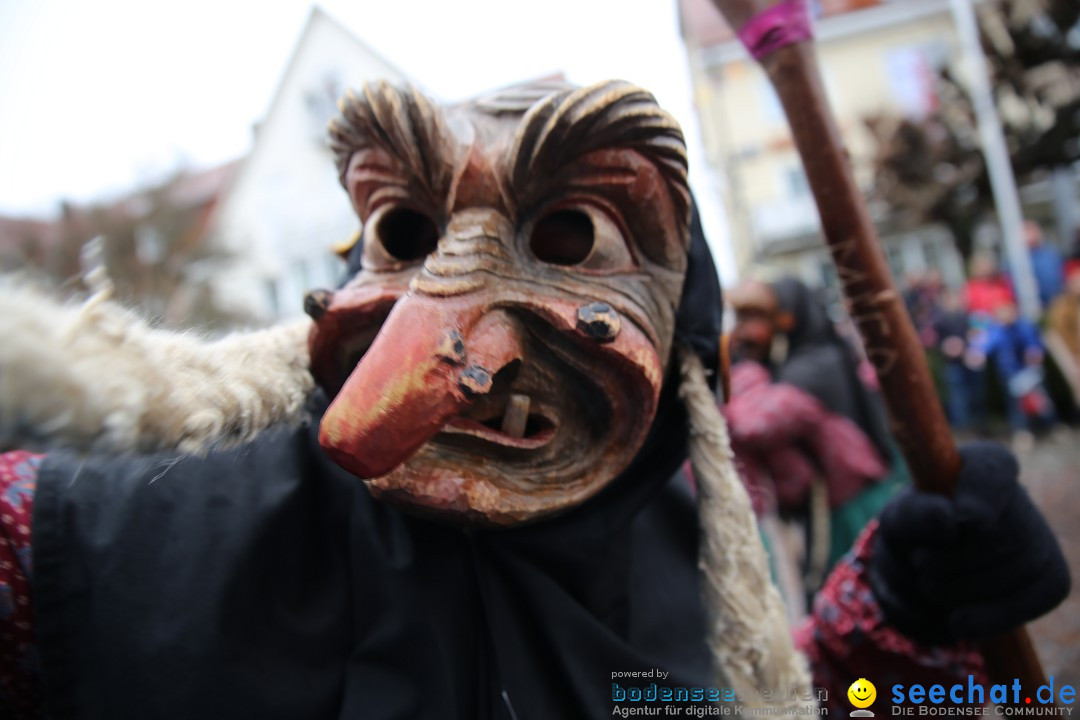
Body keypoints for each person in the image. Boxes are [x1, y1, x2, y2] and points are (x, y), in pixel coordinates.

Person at [0, 80, 1069, 720]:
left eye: (574, 239)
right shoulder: (133, 538)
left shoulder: (679, 573)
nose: (445, 330)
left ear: (687, 347)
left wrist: (894, 625)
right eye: (406, 234)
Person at [724, 277, 904, 605]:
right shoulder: (803, 360)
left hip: (856, 509)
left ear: (786, 319)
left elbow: (751, 423)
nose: (745, 332)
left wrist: (743, 368)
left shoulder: (815, 366)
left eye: (754, 320)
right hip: (834, 508)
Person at [1025, 220, 1065, 310]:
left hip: (1058, 301)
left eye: (1032, 230)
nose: (1030, 234)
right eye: (1027, 231)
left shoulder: (1052, 252)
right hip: (1035, 305)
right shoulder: (1019, 260)